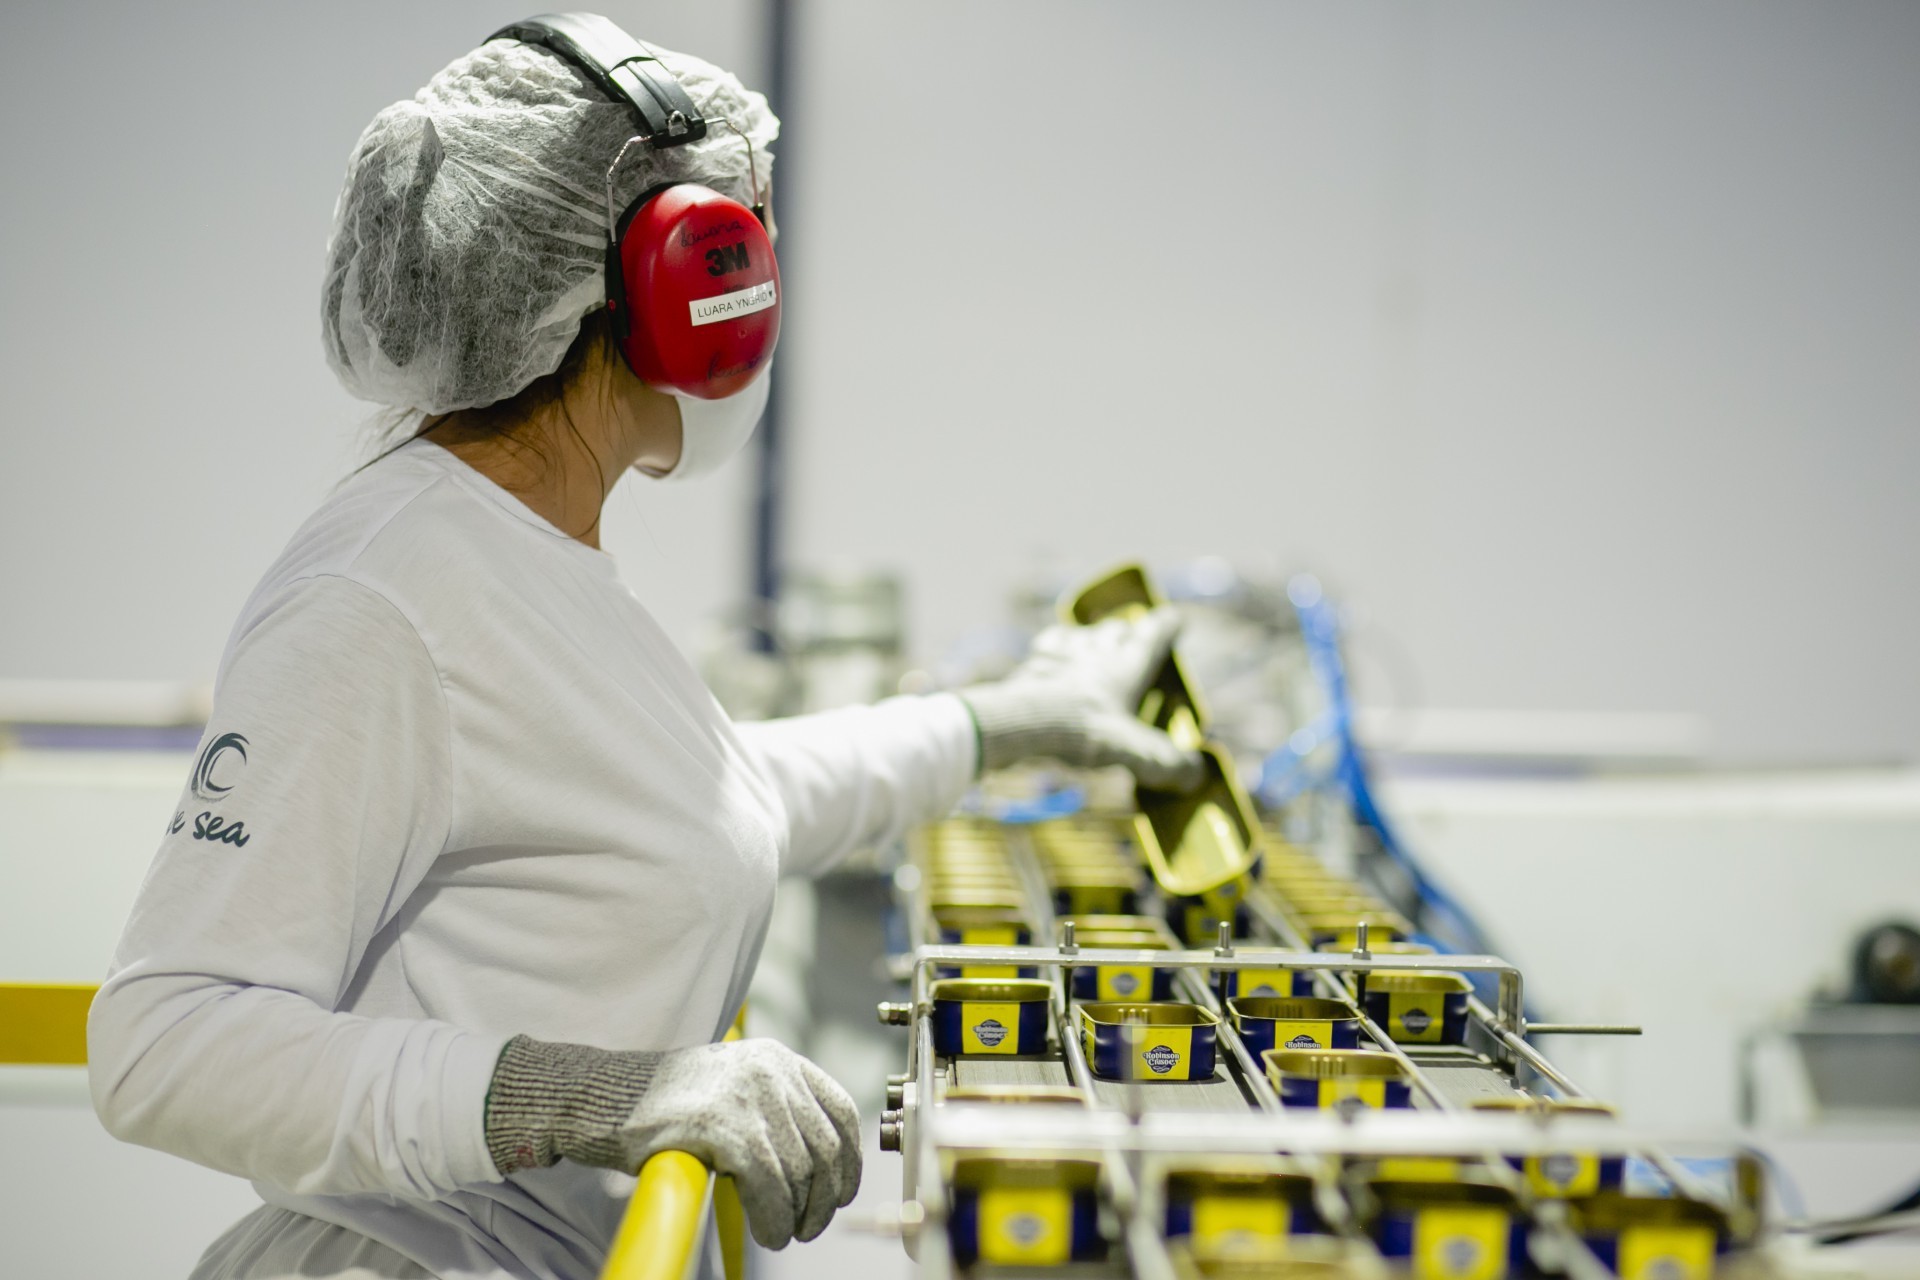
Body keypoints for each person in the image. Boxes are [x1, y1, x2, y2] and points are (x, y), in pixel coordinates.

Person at [85, 18, 1199, 1280]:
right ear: (674, 289)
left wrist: (1006, 720)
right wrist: (594, 1096)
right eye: (739, 249)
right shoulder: (380, 593)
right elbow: (164, 1040)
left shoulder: (526, 552)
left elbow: (708, 795)